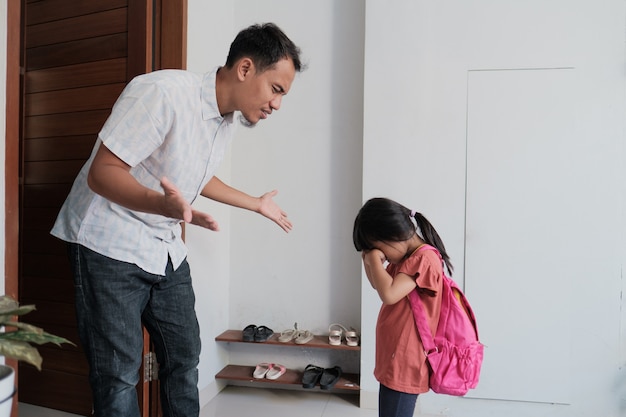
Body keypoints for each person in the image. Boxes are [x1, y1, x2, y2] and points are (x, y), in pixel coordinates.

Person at [51, 23, 303, 417]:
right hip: (107, 242)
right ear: (245, 68)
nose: (277, 104)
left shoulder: (225, 120)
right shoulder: (162, 93)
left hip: (163, 247)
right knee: (118, 374)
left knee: (184, 358)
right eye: (277, 89)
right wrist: (163, 205)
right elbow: (103, 173)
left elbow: (198, 175)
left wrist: (254, 203)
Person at [352, 197, 454, 417]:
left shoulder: (424, 258)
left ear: (391, 235)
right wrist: (368, 260)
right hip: (395, 355)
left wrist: (372, 259)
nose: (382, 256)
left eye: (378, 248)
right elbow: (378, 285)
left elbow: (388, 294)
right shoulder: (407, 260)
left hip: (406, 358)